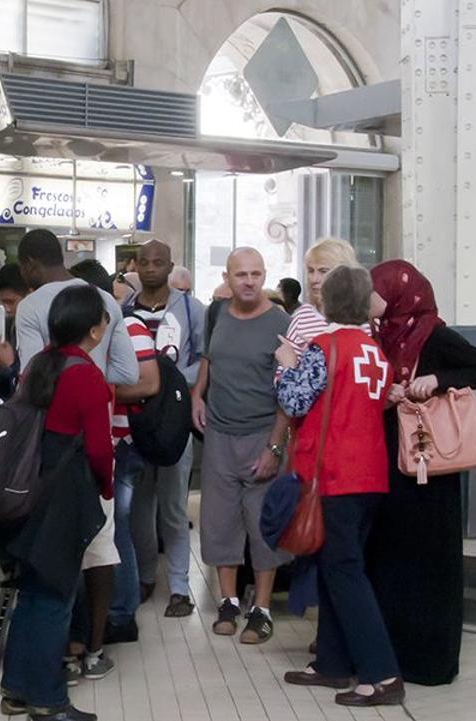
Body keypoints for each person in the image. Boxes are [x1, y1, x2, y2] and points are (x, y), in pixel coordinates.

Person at [365, 260, 476, 686]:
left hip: (431, 472)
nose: (370, 297)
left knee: (429, 565)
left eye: (377, 289)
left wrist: (437, 378)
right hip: (389, 464)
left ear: (398, 292)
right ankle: (390, 653)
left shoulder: (433, 334)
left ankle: (429, 660)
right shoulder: (380, 336)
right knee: (388, 559)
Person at [275, 266, 404, 707]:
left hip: (333, 474)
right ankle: (331, 662)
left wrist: (287, 366)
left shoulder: (322, 348)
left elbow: (294, 400)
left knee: (345, 571)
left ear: (325, 304)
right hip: (370, 473)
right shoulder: (375, 351)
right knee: (338, 567)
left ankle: (382, 675)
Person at [0, 284, 114, 721]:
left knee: (31, 592)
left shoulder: (40, 365)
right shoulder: (85, 376)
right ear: (94, 329)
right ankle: (48, 699)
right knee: (56, 597)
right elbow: (101, 449)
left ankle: (15, 688)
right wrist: (104, 489)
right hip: (66, 497)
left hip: (28, 491)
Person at [191, 247, 291, 644]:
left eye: (255, 274)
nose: (248, 281)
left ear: (264, 276)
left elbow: (288, 392)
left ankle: (262, 609)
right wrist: (198, 394)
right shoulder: (217, 314)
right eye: (241, 275)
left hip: (261, 435)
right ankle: (229, 602)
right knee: (218, 522)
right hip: (218, 436)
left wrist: (274, 447)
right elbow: (208, 359)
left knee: (262, 525)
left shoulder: (280, 322)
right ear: (227, 278)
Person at [65, 260, 159, 670]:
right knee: (107, 530)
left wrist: (99, 391)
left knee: (114, 527)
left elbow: (150, 382)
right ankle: (108, 614)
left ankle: (121, 612)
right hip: (99, 440)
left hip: (120, 440)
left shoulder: (129, 327)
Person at [121, 240, 206, 619]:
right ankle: (143, 576)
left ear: (171, 266)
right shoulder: (124, 313)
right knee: (139, 507)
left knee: (173, 506)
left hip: (173, 419)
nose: (152, 268)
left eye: (159, 262)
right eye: (145, 262)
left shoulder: (191, 309)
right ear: (135, 266)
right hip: (135, 421)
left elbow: (205, 359)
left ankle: (180, 587)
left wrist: (169, 380)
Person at [16, 229, 139, 388]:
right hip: (97, 407)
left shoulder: (30, 306)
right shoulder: (105, 299)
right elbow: (128, 373)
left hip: (55, 410)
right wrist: (94, 371)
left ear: (30, 265)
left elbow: (31, 375)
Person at [287, 239, 359, 354]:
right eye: (310, 271)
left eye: (323, 271)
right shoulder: (301, 317)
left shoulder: (361, 319)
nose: (314, 279)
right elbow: (286, 368)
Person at [0, 263, 28, 400]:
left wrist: (10, 365)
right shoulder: (10, 324)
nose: (6, 309)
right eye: (2, 302)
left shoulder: (37, 331)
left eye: (11, 302)